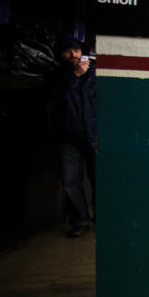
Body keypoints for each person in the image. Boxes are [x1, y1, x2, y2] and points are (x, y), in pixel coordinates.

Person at [47, 34, 97, 237]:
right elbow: (55, 100)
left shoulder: (94, 74)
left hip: (94, 134)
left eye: (76, 50)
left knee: (99, 178)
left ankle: (101, 216)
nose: (74, 54)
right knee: (70, 181)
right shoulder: (56, 77)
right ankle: (80, 220)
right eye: (68, 51)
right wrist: (74, 76)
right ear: (60, 54)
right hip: (68, 136)